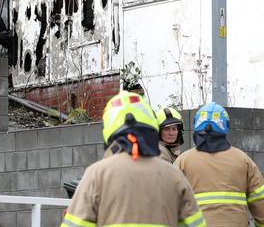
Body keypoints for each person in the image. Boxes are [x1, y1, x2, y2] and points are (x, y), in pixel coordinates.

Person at [61, 91, 206, 227]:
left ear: (109, 128)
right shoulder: (174, 175)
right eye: (167, 129)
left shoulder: (96, 174)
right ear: (152, 126)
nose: (171, 132)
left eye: (174, 128)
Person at [174, 102, 264, 227]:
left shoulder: (183, 161)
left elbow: (167, 202)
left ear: (196, 126)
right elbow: (261, 201)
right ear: (225, 127)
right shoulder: (243, 160)